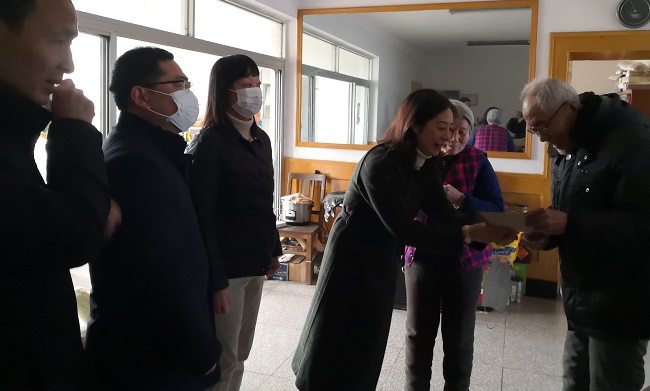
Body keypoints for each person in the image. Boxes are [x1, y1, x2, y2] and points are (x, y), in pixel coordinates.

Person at [291, 89, 516, 390]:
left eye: (453, 129)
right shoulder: (380, 162)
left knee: (368, 342)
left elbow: (441, 212)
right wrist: (467, 234)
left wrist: (483, 230)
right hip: (352, 262)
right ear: (414, 124)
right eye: (442, 127)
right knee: (335, 338)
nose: (449, 137)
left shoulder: (426, 163)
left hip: (382, 260)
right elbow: (404, 229)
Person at [0, 0, 111, 390]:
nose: (68, 64)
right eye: (57, 41)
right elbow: (71, 236)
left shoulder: (14, 129)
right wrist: (74, 132)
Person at [84, 47, 221, 390]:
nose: (187, 93)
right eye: (178, 84)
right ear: (141, 96)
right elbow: (162, 273)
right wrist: (202, 350)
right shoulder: (135, 163)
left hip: (158, 350)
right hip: (152, 357)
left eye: (187, 83)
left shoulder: (155, 150)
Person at [520, 78, 650, 391]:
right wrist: (547, 235)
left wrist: (571, 224)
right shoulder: (567, 148)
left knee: (611, 382)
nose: (541, 137)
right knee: (574, 379)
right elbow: (568, 208)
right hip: (581, 297)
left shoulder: (632, 142)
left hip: (623, 300)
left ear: (570, 108)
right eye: (533, 130)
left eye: (543, 126)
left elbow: (642, 226)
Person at [188, 54, 281, 391]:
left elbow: (265, 202)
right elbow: (203, 217)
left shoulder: (261, 139)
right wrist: (216, 281)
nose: (254, 91)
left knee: (241, 352)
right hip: (226, 271)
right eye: (245, 84)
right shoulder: (210, 143)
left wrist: (274, 249)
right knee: (223, 357)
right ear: (226, 91)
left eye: (257, 83)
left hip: (255, 263)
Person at [403, 99, 505, 391]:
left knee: (459, 337)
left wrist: (462, 199)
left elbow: (497, 210)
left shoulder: (478, 161)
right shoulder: (420, 158)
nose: (455, 138)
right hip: (421, 256)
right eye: (449, 130)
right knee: (418, 334)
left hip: (465, 261)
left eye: (463, 131)